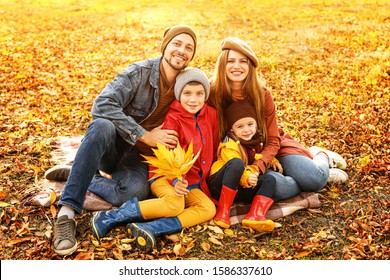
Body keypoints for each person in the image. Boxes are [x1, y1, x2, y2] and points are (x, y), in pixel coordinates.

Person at [51, 25, 198, 256]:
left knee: (133, 193)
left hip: (139, 159)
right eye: (177, 44)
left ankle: (78, 174)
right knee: (101, 124)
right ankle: (66, 213)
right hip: (113, 146)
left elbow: (211, 96)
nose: (182, 51)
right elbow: (102, 105)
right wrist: (145, 135)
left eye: (189, 48)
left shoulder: (188, 85)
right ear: (165, 46)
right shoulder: (139, 73)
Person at [208, 36, 348, 204]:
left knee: (315, 180)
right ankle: (295, 177)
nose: (236, 66)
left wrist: (258, 166)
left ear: (250, 66)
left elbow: (273, 139)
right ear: (222, 64)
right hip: (239, 158)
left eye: (243, 61)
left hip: (270, 149)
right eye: (231, 61)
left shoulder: (262, 94)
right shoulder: (212, 93)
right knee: (275, 186)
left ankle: (321, 156)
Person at [91, 67, 218, 252]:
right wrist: (175, 181)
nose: (193, 99)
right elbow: (165, 154)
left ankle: (151, 228)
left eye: (199, 93)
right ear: (179, 94)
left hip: (191, 181)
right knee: (175, 205)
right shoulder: (173, 119)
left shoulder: (211, 115)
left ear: (206, 95)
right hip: (164, 175)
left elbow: (212, 143)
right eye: (187, 93)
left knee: (208, 209)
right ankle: (111, 217)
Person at [208, 100, 279, 232]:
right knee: (237, 163)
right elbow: (235, 165)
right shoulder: (229, 144)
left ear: (256, 124)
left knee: (270, 179)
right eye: (240, 127)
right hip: (220, 184)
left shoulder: (255, 141)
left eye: (250, 124)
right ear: (232, 129)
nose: (246, 130)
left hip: (238, 188)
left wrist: (273, 160)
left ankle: (255, 215)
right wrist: (247, 178)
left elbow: (260, 155)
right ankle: (223, 213)